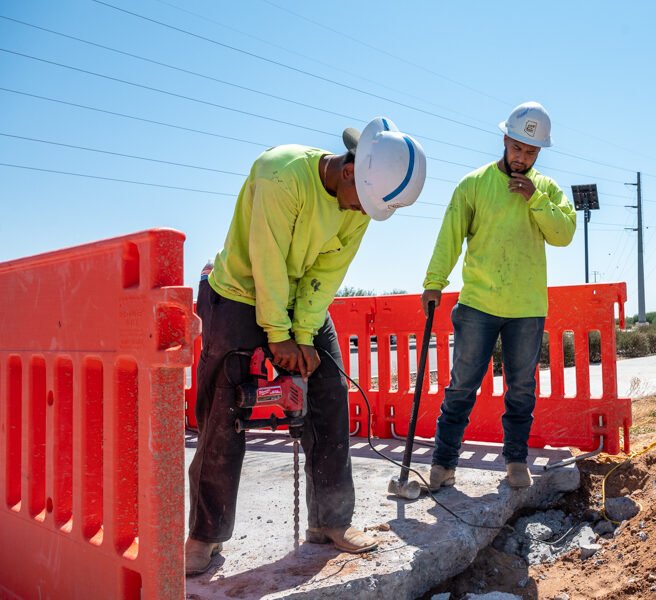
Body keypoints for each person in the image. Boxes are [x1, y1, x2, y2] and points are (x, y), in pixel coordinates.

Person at [185, 118, 426, 576]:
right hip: (238, 292)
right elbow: (268, 258)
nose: (361, 214)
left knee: (330, 397)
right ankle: (203, 535)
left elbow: (327, 273)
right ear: (351, 170)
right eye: (364, 203)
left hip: (300, 302)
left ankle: (330, 521)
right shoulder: (281, 174)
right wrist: (279, 337)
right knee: (223, 415)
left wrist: (305, 333)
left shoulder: (363, 204)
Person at [421, 101, 576, 490]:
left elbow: (564, 236)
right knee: (461, 386)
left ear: (539, 153)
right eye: (517, 148)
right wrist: (434, 281)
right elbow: (450, 236)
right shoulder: (473, 185)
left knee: (521, 389)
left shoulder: (548, 190)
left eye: (531, 152)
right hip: (478, 305)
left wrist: (534, 198)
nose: (522, 158)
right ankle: (442, 464)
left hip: (526, 309)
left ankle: (515, 462)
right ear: (505, 140)